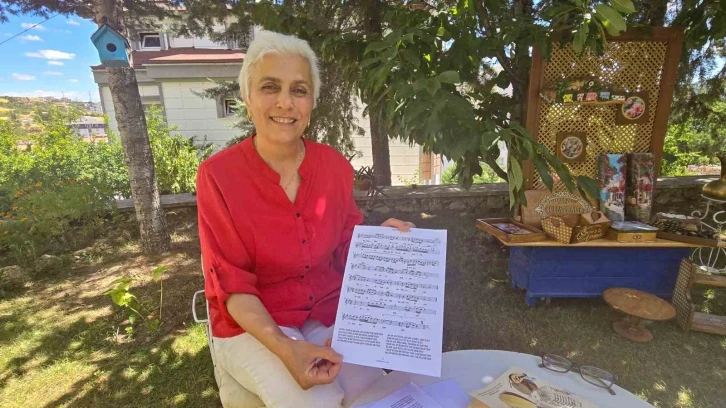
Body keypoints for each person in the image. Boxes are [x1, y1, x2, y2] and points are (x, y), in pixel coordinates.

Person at [196, 30, 415, 408]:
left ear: (312, 101)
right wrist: (286, 349)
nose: (285, 102)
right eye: (270, 87)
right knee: (316, 400)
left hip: (328, 309)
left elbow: (345, 244)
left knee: (373, 395)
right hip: (254, 323)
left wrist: (377, 244)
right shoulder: (217, 176)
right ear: (247, 97)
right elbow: (233, 285)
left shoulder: (334, 167)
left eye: (299, 90)